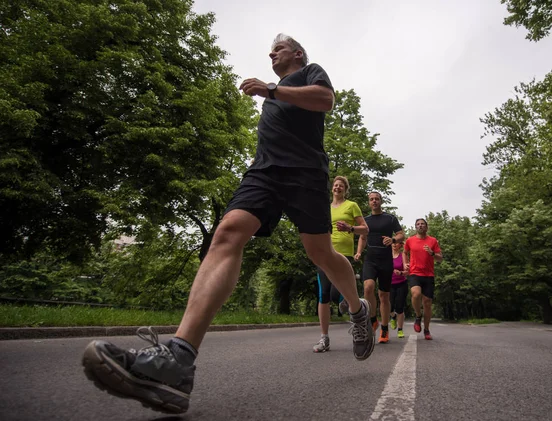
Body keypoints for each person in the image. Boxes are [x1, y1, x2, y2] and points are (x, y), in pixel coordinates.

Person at [81, 33, 375, 415]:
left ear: (297, 54)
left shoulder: (310, 74)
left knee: (319, 252)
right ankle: (177, 361)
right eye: (269, 52)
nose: (271, 54)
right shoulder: (275, 94)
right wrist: (272, 94)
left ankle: (357, 310)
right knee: (228, 232)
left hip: (304, 174)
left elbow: (326, 101)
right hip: (264, 173)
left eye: (278, 50)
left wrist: (271, 90)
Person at [313, 176, 368, 353]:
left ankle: (353, 296)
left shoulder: (351, 206)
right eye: (335, 185)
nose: (338, 188)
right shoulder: (325, 208)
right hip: (324, 253)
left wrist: (350, 228)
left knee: (339, 295)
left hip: (344, 255)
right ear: (332, 189)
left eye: (341, 186)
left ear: (345, 190)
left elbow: (365, 229)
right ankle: (324, 338)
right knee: (323, 295)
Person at [355, 192, 404, 344]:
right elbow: (363, 238)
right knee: (368, 287)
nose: (374, 201)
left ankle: (384, 328)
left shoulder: (389, 218)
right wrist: (358, 252)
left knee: (383, 295)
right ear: (369, 202)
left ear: (381, 201)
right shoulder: (366, 220)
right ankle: (373, 319)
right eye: (371, 199)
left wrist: (393, 239)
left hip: (385, 261)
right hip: (370, 259)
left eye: (377, 199)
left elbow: (401, 234)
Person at [403, 218, 443, 340]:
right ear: (415, 227)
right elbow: (404, 252)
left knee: (427, 303)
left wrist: (432, 253)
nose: (420, 226)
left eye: (422, 224)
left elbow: (440, 258)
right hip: (415, 272)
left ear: (426, 227)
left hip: (429, 275)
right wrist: (405, 264)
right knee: (415, 294)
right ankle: (418, 315)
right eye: (418, 224)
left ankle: (426, 329)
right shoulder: (410, 240)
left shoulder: (433, 241)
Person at [389, 239, 409, 338]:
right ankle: (393, 316)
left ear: (400, 245)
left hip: (401, 283)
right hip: (389, 284)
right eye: (393, 243)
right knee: (389, 307)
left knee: (400, 307)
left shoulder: (403, 256)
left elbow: (408, 271)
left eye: (396, 243)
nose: (394, 245)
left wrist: (401, 273)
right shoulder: (387, 256)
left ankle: (400, 330)